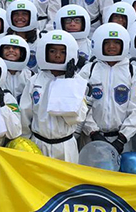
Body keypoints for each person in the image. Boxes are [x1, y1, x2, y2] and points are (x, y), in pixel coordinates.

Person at [19, 30, 88, 163]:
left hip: (65, 145)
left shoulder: (76, 81)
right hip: (38, 143)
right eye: (52, 51)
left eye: (62, 52)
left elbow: (79, 117)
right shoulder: (35, 81)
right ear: (44, 52)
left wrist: (68, 85)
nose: (57, 55)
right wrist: (25, 141)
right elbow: (25, 114)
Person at [81, 23, 136, 153]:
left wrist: (123, 137)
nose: (112, 46)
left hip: (122, 141)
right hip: (91, 138)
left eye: (116, 43)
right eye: (107, 43)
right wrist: (93, 131)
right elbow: (81, 104)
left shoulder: (134, 73)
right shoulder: (88, 71)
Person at [0, 34, 33, 100]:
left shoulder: (30, 75)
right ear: (0, 51)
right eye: (7, 48)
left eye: (15, 48)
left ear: (21, 53)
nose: (11, 50)